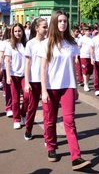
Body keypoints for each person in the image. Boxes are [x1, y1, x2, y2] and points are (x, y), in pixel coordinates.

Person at [38, 10, 91, 170]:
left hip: (67, 86)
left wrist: (75, 87)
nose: (63, 23)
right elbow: (42, 69)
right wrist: (44, 91)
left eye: (65, 21)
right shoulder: (45, 44)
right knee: (50, 120)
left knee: (69, 121)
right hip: (51, 87)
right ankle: (51, 147)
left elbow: (73, 68)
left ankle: (76, 157)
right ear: (54, 22)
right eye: (60, 21)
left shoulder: (72, 44)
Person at [24, 18, 48, 140]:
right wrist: (27, 82)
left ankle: (47, 136)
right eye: (44, 27)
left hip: (47, 81)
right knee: (32, 107)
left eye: (47, 27)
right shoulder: (30, 44)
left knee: (47, 109)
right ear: (36, 28)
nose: (46, 29)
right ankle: (28, 129)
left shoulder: (49, 42)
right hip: (34, 80)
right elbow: (27, 64)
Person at [5, 23, 27, 130]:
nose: (18, 33)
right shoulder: (9, 44)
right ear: (12, 33)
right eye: (15, 31)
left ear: (23, 31)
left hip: (25, 75)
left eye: (19, 31)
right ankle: (16, 119)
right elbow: (7, 61)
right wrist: (8, 75)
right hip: (13, 75)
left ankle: (23, 114)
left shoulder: (26, 44)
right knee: (15, 99)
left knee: (27, 96)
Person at [77, 26, 93, 92]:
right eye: (86, 30)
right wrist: (76, 56)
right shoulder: (81, 39)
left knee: (89, 71)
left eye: (89, 30)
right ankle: (85, 84)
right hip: (83, 56)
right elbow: (78, 47)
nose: (88, 32)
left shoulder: (92, 38)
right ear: (83, 31)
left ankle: (87, 82)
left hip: (91, 57)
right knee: (85, 71)